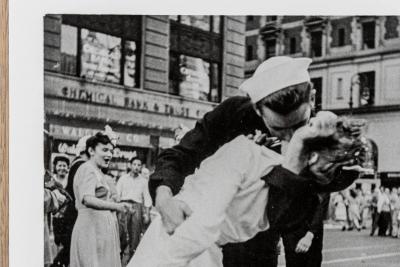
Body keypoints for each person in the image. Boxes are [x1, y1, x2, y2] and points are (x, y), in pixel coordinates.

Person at [149, 56, 363, 267]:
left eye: (299, 124)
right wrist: (164, 195)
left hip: (287, 232)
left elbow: (333, 181)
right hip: (228, 241)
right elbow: (181, 155)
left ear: (312, 99)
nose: (289, 136)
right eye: (278, 129)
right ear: (257, 108)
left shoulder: (322, 132)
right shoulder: (233, 114)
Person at [129, 116, 366, 267]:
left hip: (187, 244)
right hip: (187, 242)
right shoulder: (294, 193)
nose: (299, 123)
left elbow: (202, 228)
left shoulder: (256, 159)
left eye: (307, 125)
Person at [69, 132, 131, 267]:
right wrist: (116, 206)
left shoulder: (97, 171)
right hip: (90, 229)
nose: (109, 154)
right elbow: (87, 199)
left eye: (111, 151)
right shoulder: (87, 169)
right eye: (104, 150)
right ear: (91, 150)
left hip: (99, 228)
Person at [51, 136, 90, 267]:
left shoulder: (77, 164)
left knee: (70, 248)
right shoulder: (81, 165)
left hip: (72, 211)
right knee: (70, 249)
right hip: (74, 213)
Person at [116, 157, 152, 261]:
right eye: (134, 164)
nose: (136, 167)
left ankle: (131, 261)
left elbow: (147, 198)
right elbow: (117, 194)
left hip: (137, 207)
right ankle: (118, 259)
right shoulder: (123, 178)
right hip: (124, 205)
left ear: (141, 167)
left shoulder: (144, 181)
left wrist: (147, 214)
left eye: (139, 165)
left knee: (135, 235)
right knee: (121, 234)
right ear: (130, 165)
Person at [51, 155, 71, 267]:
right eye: (59, 165)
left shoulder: (69, 180)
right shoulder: (51, 179)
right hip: (54, 218)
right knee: (55, 242)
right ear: (55, 167)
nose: (62, 168)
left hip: (67, 218)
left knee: (67, 244)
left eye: (64, 165)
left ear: (68, 167)